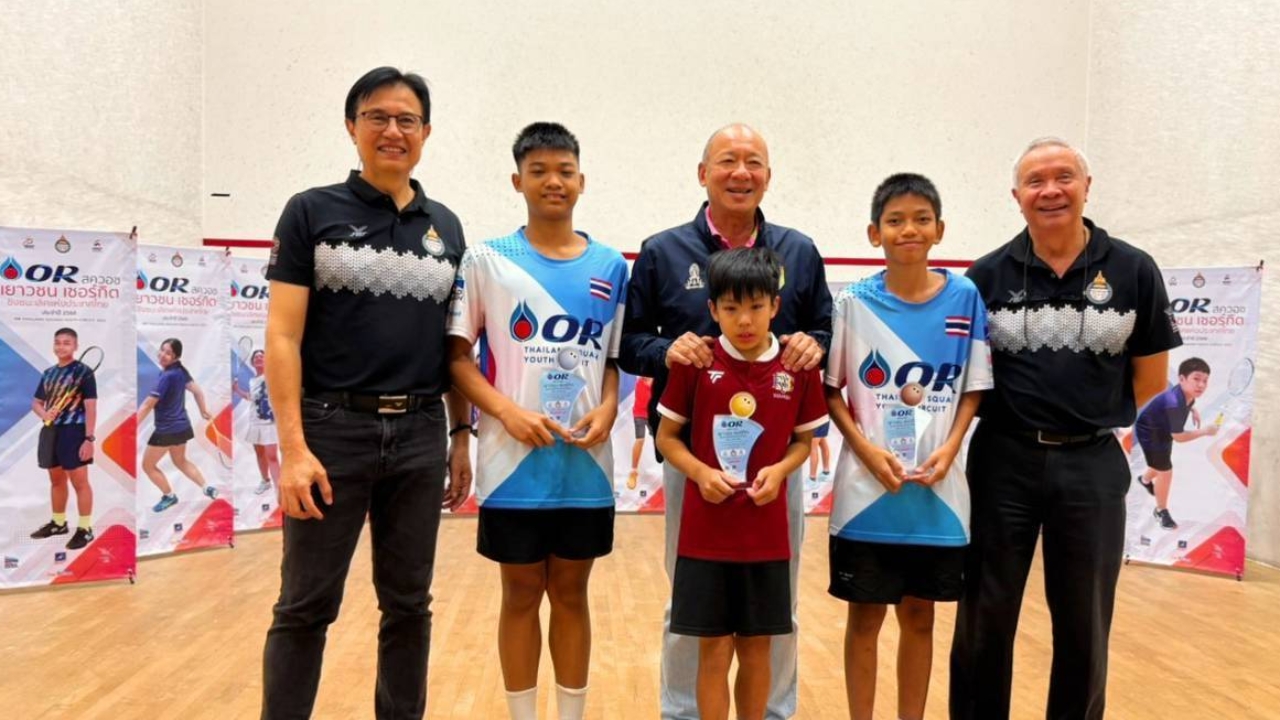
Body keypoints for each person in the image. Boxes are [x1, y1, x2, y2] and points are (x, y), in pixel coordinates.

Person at [260, 66, 472, 720]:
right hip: (330, 435)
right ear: (352, 127)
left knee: (409, 606)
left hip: (419, 435)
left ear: (426, 133)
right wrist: (293, 449)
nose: (392, 131)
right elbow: (282, 337)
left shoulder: (447, 228)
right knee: (305, 606)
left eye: (407, 120)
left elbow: (453, 345)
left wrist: (460, 434)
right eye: (377, 117)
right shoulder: (311, 211)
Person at [951, 137, 1182, 720]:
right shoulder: (985, 276)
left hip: (1091, 466)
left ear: (1086, 187)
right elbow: (966, 377)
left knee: (1084, 621)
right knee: (984, 615)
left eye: (1063, 177)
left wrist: (1084, 417)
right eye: (1035, 181)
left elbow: (1151, 380)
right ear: (1016, 196)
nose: (1050, 190)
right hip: (1002, 462)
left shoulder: (1133, 269)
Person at [620, 123, 832, 720]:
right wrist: (668, 350)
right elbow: (630, 343)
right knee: (690, 603)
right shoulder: (662, 251)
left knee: (778, 605)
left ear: (769, 175)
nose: (741, 172)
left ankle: (773, 712)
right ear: (703, 173)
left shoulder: (800, 251)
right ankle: (684, 712)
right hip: (693, 460)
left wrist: (813, 344)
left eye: (754, 162)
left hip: (776, 466)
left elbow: (824, 329)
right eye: (727, 161)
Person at [447, 122, 627, 720]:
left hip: (584, 467)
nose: (554, 181)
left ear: (582, 180)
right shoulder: (486, 260)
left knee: (573, 594)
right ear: (517, 180)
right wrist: (506, 412)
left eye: (565, 171)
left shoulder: (611, 266)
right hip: (510, 464)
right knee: (520, 593)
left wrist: (609, 406)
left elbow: (612, 361)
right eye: (540, 171)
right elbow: (457, 358)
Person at [823, 174, 992, 720]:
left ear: (940, 229)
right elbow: (832, 391)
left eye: (921, 219)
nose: (909, 229)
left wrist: (951, 446)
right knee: (865, 620)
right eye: (895, 220)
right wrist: (866, 451)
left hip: (938, 498)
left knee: (921, 617)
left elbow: (973, 386)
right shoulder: (853, 303)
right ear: (874, 234)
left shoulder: (965, 297)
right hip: (866, 498)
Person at [654, 247, 828, 720]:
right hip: (704, 537)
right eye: (731, 308)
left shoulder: (797, 368)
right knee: (712, 652)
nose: (745, 320)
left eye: (755, 306)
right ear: (713, 310)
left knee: (756, 651)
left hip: (766, 539)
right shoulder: (695, 362)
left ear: (775, 305)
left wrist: (781, 470)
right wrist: (700, 472)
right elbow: (667, 438)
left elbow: (803, 442)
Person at [28, 327, 97, 550]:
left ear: (75, 346)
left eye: (67, 343)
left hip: (74, 432)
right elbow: (36, 403)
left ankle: (85, 529)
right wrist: (45, 414)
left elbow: (91, 407)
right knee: (56, 480)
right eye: (57, 342)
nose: (61, 346)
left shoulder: (84, 372)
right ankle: (59, 523)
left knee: (80, 482)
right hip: (51, 432)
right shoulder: (48, 373)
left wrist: (89, 439)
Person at [1134, 357, 1218, 529]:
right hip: (1150, 431)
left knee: (1161, 461)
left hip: (1163, 427)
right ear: (1181, 378)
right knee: (1165, 471)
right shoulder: (1174, 403)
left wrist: (1192, 409)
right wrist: (1205, 431)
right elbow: (1179, 437)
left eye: (1205, 380)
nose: (1201, 385)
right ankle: (1161, 510)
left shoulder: (1187, 394)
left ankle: (1144, 479)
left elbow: (1183, 406)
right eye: (1196, 379)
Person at [138, 338, 216, 512]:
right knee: (180, 461)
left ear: (176, 357)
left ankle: (169, 496)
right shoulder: (180, 371)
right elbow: (197, 391)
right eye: (162, 350)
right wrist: (203, 410)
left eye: (168, 353)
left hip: (167, 430)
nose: (163, 355)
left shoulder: (167, 376)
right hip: (182, 428)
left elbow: (148, 405)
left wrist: (132, 425)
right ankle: (206, 487)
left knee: (147, 466)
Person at [234, 349, 281, 496]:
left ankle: (279, 488)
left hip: (269, 423)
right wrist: (237, 389)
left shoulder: (272, 376)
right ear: (253, 363)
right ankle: (265, 481)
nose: (259, 358)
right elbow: (253, 398)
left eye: (262, 356)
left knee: (272, 456)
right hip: (255, 422)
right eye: (256, 357)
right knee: (259, 453)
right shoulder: (252, 380)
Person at [628, 376, 653, 490]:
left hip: (652, 415)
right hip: (639, 414)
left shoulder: (657, 380)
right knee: (640, 440)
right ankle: (633, 472)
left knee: (661, 441)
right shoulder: (640, 380)